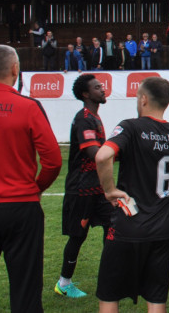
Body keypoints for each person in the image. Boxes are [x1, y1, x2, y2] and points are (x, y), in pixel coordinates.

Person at [95, 77, 169, 312]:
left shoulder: (130, 127)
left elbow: (102, 156)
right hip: (163, 230)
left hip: (128, 226)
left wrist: (109, 190)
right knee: (156, 298)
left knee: (109, 294)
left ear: (143, 99)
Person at [0, 44, 62, 313]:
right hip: (21, 206)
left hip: (18, 201)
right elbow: (53, 160)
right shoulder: (28, 106)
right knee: (25, 289)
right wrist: (36, 187)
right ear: (15, 69)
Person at [55, 74, 113, 299]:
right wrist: (120, 151)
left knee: (112, 227)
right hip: (81, 189)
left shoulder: (94, 117)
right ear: (86, 94)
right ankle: (64, 283)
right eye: (97, 87)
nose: (103, 89)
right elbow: (93, 152)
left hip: (97, 188)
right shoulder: (84, 119)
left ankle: (110, 277)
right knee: (78, 237)